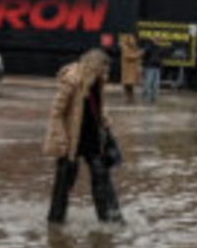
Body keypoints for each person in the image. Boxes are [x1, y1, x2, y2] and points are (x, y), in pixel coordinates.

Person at [44, 49, 123, 224]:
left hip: (92, 136)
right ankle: (55, 220)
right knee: (64, 183)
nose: (105, 74)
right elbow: (57, 113)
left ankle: (111, 218)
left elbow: (99, 107)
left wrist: (107, 125)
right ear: (94, 66)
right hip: (71, 139)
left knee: (102, 178)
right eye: (102, 70)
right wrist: (61, 140)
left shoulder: (98, 81)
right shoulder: (71, 80)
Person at [120, 34, 142, 103]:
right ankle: (127, 98)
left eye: (134, 40)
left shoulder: (135, 47)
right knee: (127, 84)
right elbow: (127, 56)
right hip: (127, 69)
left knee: (131, 84)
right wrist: (138, 55)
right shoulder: (125, 47)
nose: (133, 41)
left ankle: (131, 98)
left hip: (133, 69)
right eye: (132, 39)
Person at [141, 39, 163, 104]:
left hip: (157, 67)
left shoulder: (159, 48)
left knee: (156, 84)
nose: (157, 41)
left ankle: (153, 98)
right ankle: (146, 97)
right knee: (148, 82)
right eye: (156, 39)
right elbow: (143, 55)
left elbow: (161, 57)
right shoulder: (148, 48)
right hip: (149, 67)